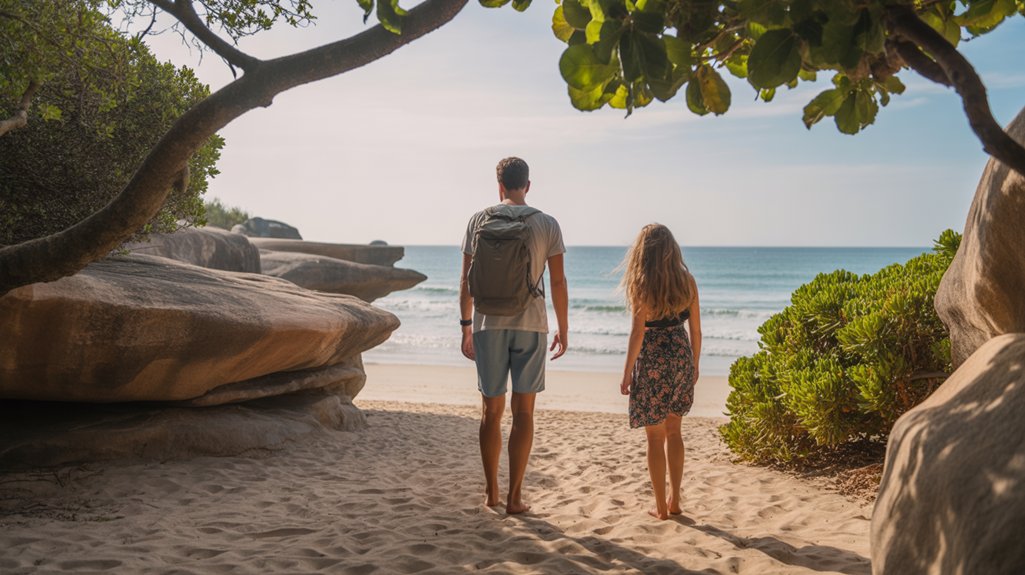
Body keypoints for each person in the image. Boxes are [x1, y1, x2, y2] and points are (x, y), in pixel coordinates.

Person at [459, 157, 568, 514]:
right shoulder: (547, 223)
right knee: (524, 414)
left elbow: (466, 281)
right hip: (531, 325)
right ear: (528, 185)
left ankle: (491, 492)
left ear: (499, 185)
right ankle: (515, 498)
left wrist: (465, 327)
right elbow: (557, 282)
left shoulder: (479, 220)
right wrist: (563, 328)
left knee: (491, 412)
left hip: (488, 325)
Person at [619, 223, 702, 520]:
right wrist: (695, 364)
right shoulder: (687, 282)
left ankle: (660, 507)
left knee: (655, 438)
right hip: (680, 355)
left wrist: (627, 371)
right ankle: (675, 500)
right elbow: (696, 331)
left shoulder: (641, 285)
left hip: (652, 359)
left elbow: (637, 334)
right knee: (675, 431)